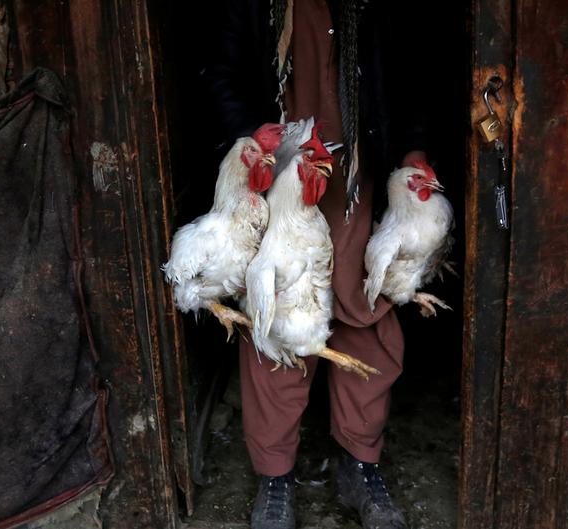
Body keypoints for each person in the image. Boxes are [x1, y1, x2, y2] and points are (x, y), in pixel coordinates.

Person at [205, 1, 431, 528]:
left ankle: (360, 464)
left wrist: (413, 148)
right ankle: (276, 475)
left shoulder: (375, 6)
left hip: (356, 176)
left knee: (364, 309)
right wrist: (253, 139)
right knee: (278, 313)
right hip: (279, 180)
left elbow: (410, 74)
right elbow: (220, 72)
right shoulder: (260, 4)